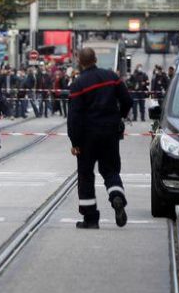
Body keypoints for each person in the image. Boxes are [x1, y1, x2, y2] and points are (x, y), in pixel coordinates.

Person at [68, 48, 133, 229]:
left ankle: (91, 219)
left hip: (87, 137)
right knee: (111, 170)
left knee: (86, 175)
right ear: (96, 59)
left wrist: (75, 142)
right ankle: (116, 197)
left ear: (80, 62)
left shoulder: (78, 84)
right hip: (110, 134)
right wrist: (118, 117)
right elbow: (128, 100)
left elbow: (74, 116)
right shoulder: (111, 77)